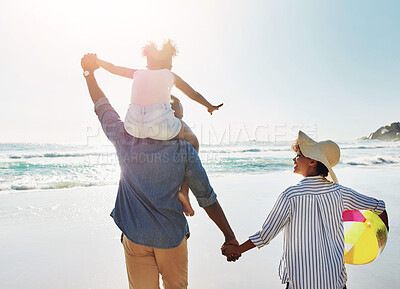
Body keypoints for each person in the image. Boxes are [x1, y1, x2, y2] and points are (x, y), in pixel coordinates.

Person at [81, 53, 238, 289]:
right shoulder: (184, 149)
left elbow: (102, 107)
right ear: (170, 116)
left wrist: (89, 74)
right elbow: (207, 197)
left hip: (135, 235)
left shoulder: (123, 138)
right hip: (170, 238)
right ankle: (182, 192)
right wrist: (229, 235)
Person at [222, 131, 389, 289]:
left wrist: (237, 250)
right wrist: (382, 235)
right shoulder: (340, 193)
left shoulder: (290, 196)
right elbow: (379, 207)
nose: (294, 159)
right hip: (334, 282)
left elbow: (266, 235)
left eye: (298, 155)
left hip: (300, 283)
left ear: (312, 161)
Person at [93, 40, 223, 217]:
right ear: (168, 62)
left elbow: (114, 68)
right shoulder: (170, 75)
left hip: (132, 126)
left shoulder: (138, 73)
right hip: (162, 127)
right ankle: (184, 191)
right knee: (193, 141)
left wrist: (98, 61)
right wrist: (209, 106)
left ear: (148, 62)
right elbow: (193, 94)